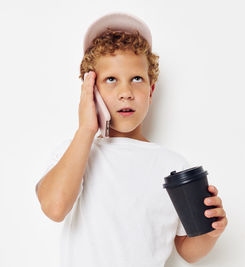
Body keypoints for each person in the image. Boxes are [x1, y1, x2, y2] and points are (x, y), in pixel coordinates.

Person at [35, 12, 228, 266]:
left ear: (151, 89)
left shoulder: (173, 166)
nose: (125, 92)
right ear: (91, 91)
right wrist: (86, 130)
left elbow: (186, 249)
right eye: (111, 80)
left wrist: (211, 233)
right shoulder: (76, 153)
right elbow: (55, 207)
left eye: (136, 79)